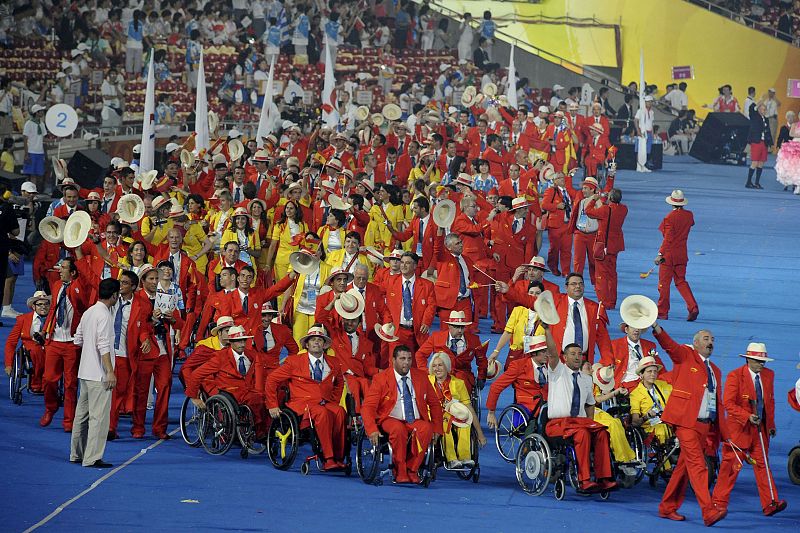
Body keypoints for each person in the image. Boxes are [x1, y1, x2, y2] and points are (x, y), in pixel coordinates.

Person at [652, 323, 726, 526]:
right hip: (685, 422)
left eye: (712, 340)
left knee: (683, 469)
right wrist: (656, 327)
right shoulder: (685, 355)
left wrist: (723, 432)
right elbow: (669, 346)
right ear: (695, 343)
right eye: (706, 339)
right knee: (697, 465)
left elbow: (717, 403)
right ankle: (708, 511)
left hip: (704, 425)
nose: (710, 342)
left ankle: (667, 507)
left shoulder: (716, 371)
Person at [711, 343, 786, 517]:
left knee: (763, 466)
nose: (762, 364)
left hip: (760, 431)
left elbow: (770, 401)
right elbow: (728, 403)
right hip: (739, 430)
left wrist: (771, 424)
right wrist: (746, 416)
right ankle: (718, 503)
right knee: (730, 468)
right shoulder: (735, 376)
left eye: (763, 361)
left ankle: (770, 503)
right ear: (748, 359)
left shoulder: (768, 375)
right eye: (759, 361)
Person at [543, 327, 617, 493]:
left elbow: (590, 404)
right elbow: (552, 353)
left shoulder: (586, 378)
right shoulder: (557, 371)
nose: (577, 357)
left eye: (579, 354)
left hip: (581, 422)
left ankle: (604, 478)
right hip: (558, 423)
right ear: (565, 357)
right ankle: (583, 481)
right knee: (582, 434)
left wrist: (591, 423)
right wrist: (547, 331)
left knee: (602, 433)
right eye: (573, 354)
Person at [265, 324, 349, 471]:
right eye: (313, 339)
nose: (317, 342)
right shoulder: (294, 361)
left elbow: (339, 383)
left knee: (340, 411)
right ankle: (328, 459)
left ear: (324, 344)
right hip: (301, 406)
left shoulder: (334, 362)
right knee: (321, 413)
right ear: (307, 344)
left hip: (324, 402)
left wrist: (333, 400)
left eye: (320, 339)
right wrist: (273, 404)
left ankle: (338, 458)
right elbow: (272, 379)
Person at [361, 344, 443, 484]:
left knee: (426, 428)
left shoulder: (421, 377)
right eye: (402, 358)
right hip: (390, 418)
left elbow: (435, 404)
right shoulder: (381, 379)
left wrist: (437, 428)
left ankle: (412, 469)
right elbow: (368, 407)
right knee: (398, 429)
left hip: (414, 420)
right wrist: (371, 430)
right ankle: (400, 470)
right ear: (393, 360)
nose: (406, 362)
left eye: (409, 359)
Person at [70, 278, 119, 468]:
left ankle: (77, 454)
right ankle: (92, 458)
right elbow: (104, 346)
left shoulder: (89, 312)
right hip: (99, 375)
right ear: (114, 295)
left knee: (81, 416)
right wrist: (110, 372)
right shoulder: (105, 315)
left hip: (85, 371)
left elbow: (78, 339)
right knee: (98, 417)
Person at [187, 325, 270, 438]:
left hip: (250, 391)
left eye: (244, 340)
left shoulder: (252, 355)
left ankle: (265, 431)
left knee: (269, 398)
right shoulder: (220, 357)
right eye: (238, 341)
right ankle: (261, 432)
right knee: (257, 400)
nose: (242, 344)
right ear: (230, 342)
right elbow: (196, 374)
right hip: (230, 393)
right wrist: (194, 397)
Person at [40, 257, 93, 431]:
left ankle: (69, 420)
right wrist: (45, 330)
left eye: (63, 268)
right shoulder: (56, 286)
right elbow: (54, 309)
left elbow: (84, 297)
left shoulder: (80, 286)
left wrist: (79, 255)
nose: (59, 270)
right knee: (48, 379)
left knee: (70, 384)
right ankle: (51, 407)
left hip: (72, 343)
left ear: (72, 272)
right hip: (54, 340)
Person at [428, 352, 486, 469]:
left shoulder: (458, 383)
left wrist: (480, 434)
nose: (437, 369)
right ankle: (451, 459)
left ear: (447, 366)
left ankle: (465, 457)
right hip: (433, 416)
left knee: (465, 422)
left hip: (454, 414)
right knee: (445, 423)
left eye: (440, 365)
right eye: (434, 366)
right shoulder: (427, 381)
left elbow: (469, 408)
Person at [486, 334, 550, 429]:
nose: (547, 354)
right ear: (533, 353)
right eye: (544, 351)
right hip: (527, 407)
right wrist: (491, 412)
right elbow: (496, 387)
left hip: (549, 405)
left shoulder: (551, 365)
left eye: (548, 351)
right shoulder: (518, 366)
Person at [654, 190, 698, 321]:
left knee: (664, 284)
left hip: (668, 255)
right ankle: (693, 306)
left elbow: (668, 238)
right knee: (681, 281)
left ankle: (662, 312)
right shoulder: (689, 215)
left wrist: (660, 253)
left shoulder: (669, 218)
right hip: (681, 254)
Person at [585, 187, 626, 309]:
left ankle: (604, 301)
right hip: (615, 246)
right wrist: (607, 198)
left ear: (610, 198)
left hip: (603, 246)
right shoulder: (624, 209)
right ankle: (612, 301)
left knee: (601, 275)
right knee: (612, 274)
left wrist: (594, 199)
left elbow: (588, 211)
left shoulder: (605, 210)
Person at [4, 290, 50, 393]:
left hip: (50, 345)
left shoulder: (54, 319)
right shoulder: (23, 319)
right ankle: (37, 382)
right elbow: (11, 342)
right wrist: (8, 364)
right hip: (31, 347)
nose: (43, 307)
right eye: (40, 304)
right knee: (37, 351)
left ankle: (50, 382)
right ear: (33, 307)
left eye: (46, 304)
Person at [629, 355, 673, 446]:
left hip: (669, 422)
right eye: (649, 371)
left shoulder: (663, 385)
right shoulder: (635, 394)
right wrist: (647, 416)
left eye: (655, 371)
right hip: (651, 427)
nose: (653, 374)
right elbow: (635, 421)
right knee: (662, 429)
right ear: (641, 374)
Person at [745, 103, 773, 190]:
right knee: (755, 162)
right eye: (761, 109)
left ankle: (757, 183)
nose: (763, 111)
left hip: (764, 142)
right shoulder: (755, 117)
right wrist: (756, 103)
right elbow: (751, 109)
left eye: (764, 109)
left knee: (761, 162)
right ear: (758, 110)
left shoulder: (766, 119)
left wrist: (770, 143)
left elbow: (768, 131)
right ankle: (748, 182)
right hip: (756, 141)